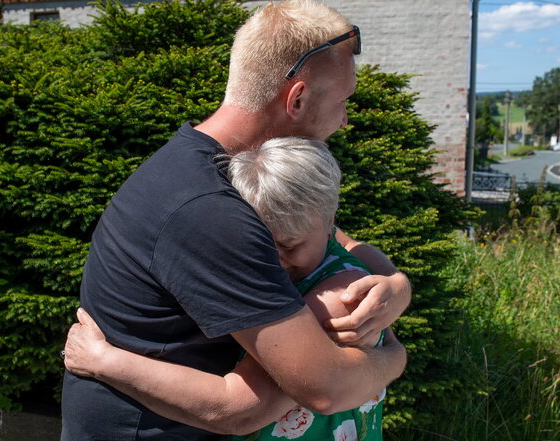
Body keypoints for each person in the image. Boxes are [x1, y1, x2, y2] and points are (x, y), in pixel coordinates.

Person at [60, 1, 411, 439]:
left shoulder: (212, 168)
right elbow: (325, 390)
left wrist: (397, 287)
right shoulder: (211, 210)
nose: (344, 120)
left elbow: (334, 236)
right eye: (343, 101)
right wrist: (396, 355)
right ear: (297, 98)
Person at [64, 138, 390, 440]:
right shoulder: (311, 227)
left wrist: (104, 360)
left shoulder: (339, 297)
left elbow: (237, 409)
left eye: (290, 245)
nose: (275, 261)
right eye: (262, 245)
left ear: (330, 217)